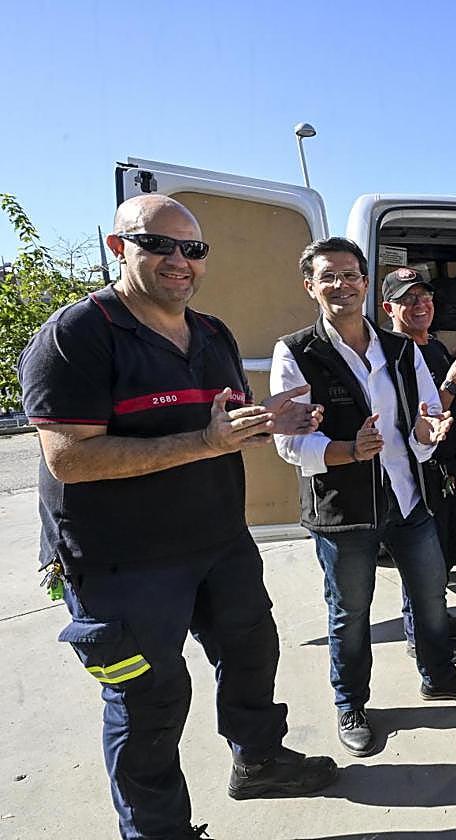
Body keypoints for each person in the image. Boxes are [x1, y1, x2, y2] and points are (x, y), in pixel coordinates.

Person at [18, 195, 337, 839]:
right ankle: (158, 831)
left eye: (192, 249)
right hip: (121, 564)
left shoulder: (212, 334)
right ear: (117, 248)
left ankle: (260, 761)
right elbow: (70, 460)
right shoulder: (77, 335)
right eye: (158, 244)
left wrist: (269, 421)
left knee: (252, 655)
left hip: (218, 542)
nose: (178, 261)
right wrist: (206, 443)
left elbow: (219, 427)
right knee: (149, 703)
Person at [271, 239, 456, 758]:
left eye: (351, 276)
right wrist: (349, 450)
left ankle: (439, 674)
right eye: (329, 277)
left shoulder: (399, 348)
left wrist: (429, 428)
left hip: (406, 497)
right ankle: (350, 702)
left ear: (366, 283)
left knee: (430, 595)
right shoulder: (298, 351)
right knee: (350, 612)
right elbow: (288, 443)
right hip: (343, 512)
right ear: (310, 286)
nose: (342, 286)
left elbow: (421, 422)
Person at [380, 267, 456, 658]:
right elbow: (415, 417)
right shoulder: (394, 353)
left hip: (449, 469)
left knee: (447, 550)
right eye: (409, 299)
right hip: (421, 473)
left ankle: (436, 615)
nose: (421, 305)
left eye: (425, 297)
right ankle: (420, 637)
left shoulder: (432, 346)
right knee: (421, 559)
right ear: (389, 307)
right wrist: (453, 383)